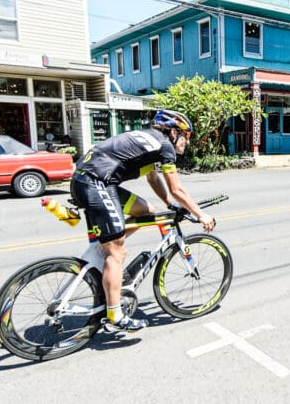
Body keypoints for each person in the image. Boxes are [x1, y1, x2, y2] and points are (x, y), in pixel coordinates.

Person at [70, 110, 215, 333]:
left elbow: (153, 178)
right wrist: (200, 214)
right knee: (117, 253)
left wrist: (169, 204)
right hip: (95, 183)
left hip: (88, 180)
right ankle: (114, 316)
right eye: (187, 135)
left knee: (146, 210)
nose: (188, 142)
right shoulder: (165, 147)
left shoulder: (150, 141)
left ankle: (105, 246)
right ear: (174, 132)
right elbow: (177, 188)